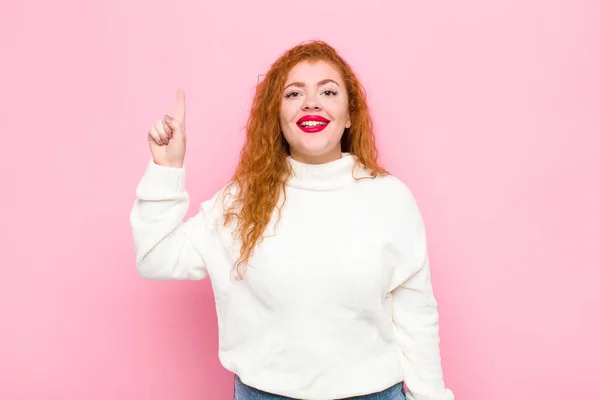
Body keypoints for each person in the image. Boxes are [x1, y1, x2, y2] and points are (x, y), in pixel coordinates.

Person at [130, 40, 454, 400]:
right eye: (294, 93)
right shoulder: (241, 199)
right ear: (278, 116)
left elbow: (416, 317)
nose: (311, 102)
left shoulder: (390, 198)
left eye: (328, 91)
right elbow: (157, 258)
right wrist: (166, 168)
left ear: (349, 116)